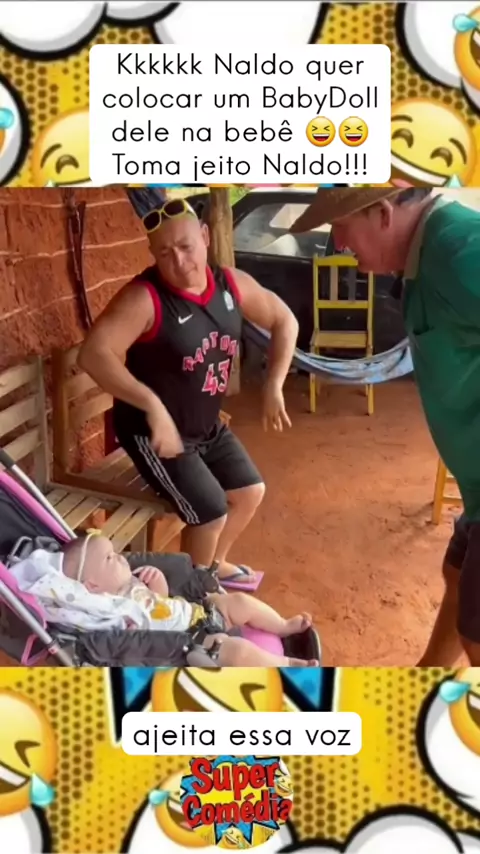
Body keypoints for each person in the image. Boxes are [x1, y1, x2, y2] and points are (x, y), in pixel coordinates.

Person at [290, 186, 480, 667]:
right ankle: (423, 684)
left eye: (341, 226)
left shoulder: (459, 251)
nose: (337, 243)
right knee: (459, 577)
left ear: (382, 212)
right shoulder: (425, 257)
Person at [78, 196, 299, 590]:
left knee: (250, 492)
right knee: (211, 512)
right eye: (165, 253)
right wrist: (151, 405)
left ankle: (213, 565)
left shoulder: (231, 284)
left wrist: (274, 384)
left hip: (205, 426)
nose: (179, 262)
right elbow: (93, 354)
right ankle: (193, 595)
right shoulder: (145, 298)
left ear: (205, 236)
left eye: (185, 246)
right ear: (152, 253)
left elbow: (285, 320)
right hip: (154, 434)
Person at [59, 534, 318, 668]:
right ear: (92, 585)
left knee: (238, 601)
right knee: (235, 651)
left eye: (114, 552)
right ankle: (286, 665)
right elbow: (131, 639)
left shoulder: (133, 581)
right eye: (109, 558)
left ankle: (282, 626)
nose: (119, 556)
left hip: (196, 613)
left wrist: (157, 581)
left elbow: (162, 601)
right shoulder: (108, 610)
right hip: (190, 640)